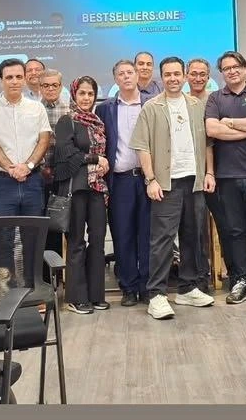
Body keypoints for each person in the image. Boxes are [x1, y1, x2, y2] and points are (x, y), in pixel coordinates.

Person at [130, 57, 216, 320]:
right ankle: (156, 294)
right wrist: (151, 179)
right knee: (162, 240)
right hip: (166, 183)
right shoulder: (151, 107)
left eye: (177, 74)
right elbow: (142, 146)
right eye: (167, 74)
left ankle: (187, 288)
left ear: (185, 76)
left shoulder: (197, 106)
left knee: (192, 236)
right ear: (162, 77)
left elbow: (208, 143)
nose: (173, 79)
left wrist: (209, 172)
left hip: (194, 181)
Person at [205, 51, 246, 305]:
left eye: (236, 67)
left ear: (245, 69)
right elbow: (212, 129)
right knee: (234, 231)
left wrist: (231, 123)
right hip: (227, 176)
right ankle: (240, 280)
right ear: (221, 73)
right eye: (226, 68)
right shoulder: (215, 98)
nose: (232, 71)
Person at [0, 58, 52, 277]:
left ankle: (33, 288)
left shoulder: (37, 107)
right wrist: (11, 168)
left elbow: (44, 139)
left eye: (19, 77)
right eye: (9, 77)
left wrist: (28, 166)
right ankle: (7, 291)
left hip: (33, 181)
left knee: (33, 239)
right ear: (0, 80)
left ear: (25, 79)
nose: (14, 81)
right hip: (3, 183)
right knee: (3, 239)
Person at [95, 60, 153, 307]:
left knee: (148, 234)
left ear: (138, 75)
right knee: (123, 235)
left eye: (130, 72)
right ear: (115, 79)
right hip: (120, 181)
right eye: (121, 73)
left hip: (148, 179)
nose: (127, 76)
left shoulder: (152, 104)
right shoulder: (105, 109)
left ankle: (148, 287)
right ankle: (128, 287)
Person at [53, 76, 110, 314]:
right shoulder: (67, 120)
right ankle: (76, 298)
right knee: (76, 242)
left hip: (97, 189)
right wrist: (96, 159)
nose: (86, 98)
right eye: (82, 93)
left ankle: (96, 295)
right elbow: (65, 152)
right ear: (74, 95)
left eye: (90, 94)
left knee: (97, 241)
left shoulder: (98, 122)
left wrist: (101, 163)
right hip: (75, 189)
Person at [185, 58, 215, 293]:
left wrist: (210, 171)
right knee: (195, 227)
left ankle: (213, 275)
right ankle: (197, 276)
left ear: (208, 76)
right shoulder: (181, 102)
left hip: (217, 170)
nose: (198, 78)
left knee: (222, 227)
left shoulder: (215, 100)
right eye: (193, 73)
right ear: (187, 75)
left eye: (202, 74)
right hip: (191, 174)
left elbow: (209, 142)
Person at [38, 68, 70, 275]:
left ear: (60, 86)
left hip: (62, 176)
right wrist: (42, 167)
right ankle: (42, 275)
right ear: (40, 87)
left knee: (59, 224)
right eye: (46, 85)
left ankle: (58, 275)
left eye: (55, 85)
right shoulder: (33, 109)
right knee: (40, 225)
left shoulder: (70, 110)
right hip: (38, 175)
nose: (50, 89)